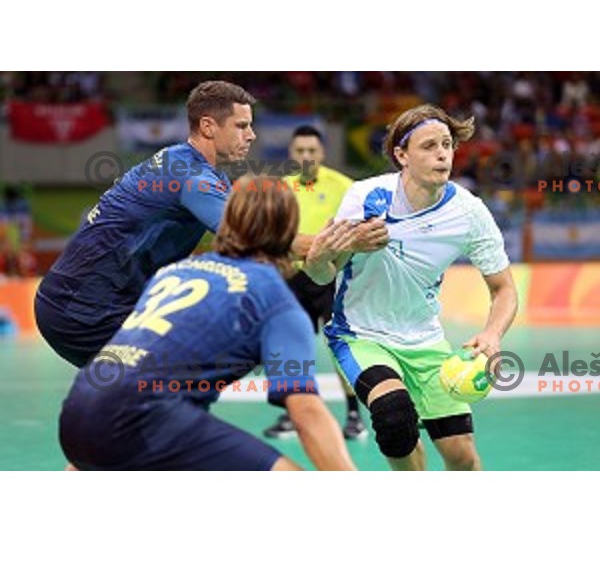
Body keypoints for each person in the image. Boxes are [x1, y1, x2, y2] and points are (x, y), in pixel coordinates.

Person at [35, 80, 387, 369]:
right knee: (159, 401)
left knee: (146, 408)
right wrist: (351, 239)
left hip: (94, 303)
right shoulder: (192, 177)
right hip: (83, 311)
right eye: (242, 126)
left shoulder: (190, 168)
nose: (251, 135)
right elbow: (258, 240)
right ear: (208, 126)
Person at [59, 176, 357, 471]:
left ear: (226, 221)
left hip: (79, 409)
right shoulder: (274, 298)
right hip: (145, 416)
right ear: (289, 229)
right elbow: (306, 412)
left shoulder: (175, 272)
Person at [304, 104, 519, 471]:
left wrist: (493, 334)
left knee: (462, 457)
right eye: (429, 146)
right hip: (361, 334)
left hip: (425, 339)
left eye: (447, 145)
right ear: (401, 155)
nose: (442, 154)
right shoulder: (366, 198)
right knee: (393, 418)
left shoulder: (469, 213)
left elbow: (504, 290)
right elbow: (322, 275)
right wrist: (323, 254)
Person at [263, 125, 367, 440]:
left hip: (331, 280)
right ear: (292, 154)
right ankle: (293, 415)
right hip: (291, 280)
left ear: (321, 153)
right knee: (293, 349)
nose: (306, 156)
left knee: (339, 350)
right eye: (300, 151)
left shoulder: (344, 187)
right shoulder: (280, 188)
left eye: (312, 150)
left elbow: (357, 234)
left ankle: (353, 415)